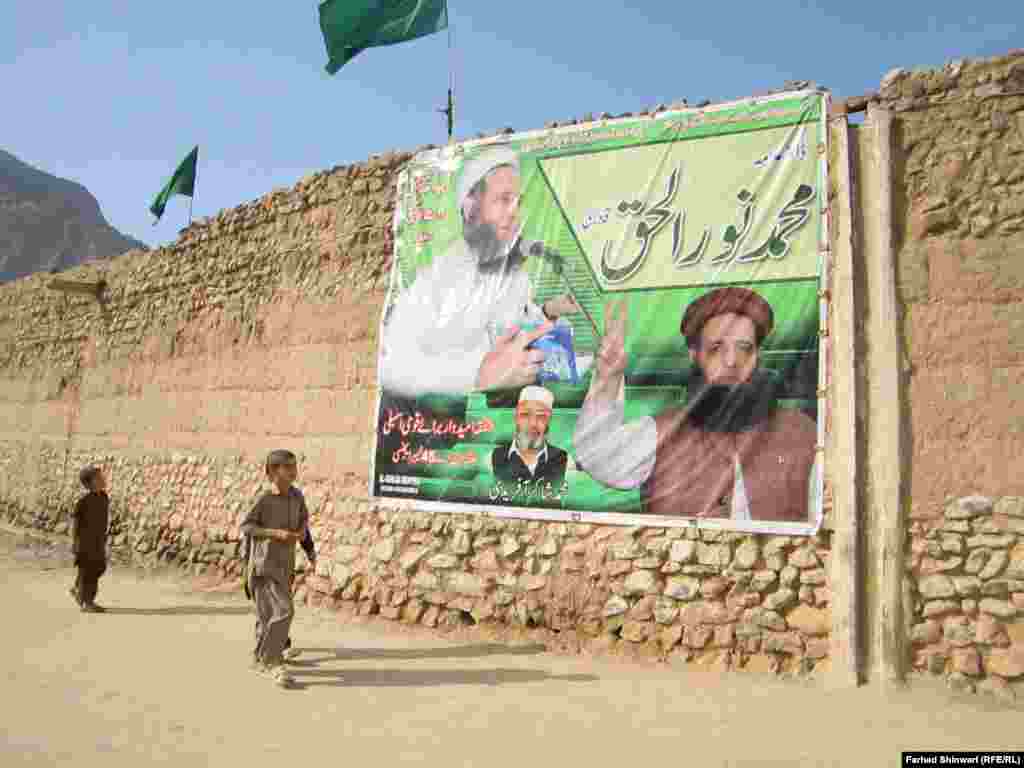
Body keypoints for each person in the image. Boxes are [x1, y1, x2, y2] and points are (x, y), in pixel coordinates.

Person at [573, 287, 819, 523]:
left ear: (757, 355)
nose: (732, 361)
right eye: (716, 348)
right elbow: (600, 458)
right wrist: (609, 378)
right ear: (695, 354)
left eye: (744, 348)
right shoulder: (665, 429)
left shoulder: (800, 431)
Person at [380, 145, 580, 397]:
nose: (514, 213)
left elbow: (515, 331)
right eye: (503, 200)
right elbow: (392, 367)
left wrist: (549, 312)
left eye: (518, 202)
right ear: (471, 208)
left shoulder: (515, 278)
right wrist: (477, 375)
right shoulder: (436, 281)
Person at [240, 450, 310, 688]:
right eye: (287, 467)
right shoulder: (264, 499)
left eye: (294, 466)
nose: (293, 471)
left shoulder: (297, 497)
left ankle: (261, 658)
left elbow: (304, 522)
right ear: (272, 472)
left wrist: (303, 539)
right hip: (264, 565)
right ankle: (273, 661)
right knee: (284, 612)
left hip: (285, 565)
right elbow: (247, 527)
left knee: (267, 616)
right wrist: (273, 533)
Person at [491, 385, 570, 488]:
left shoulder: (563, 459)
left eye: (541, 416)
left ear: (549, 420)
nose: (532, 423)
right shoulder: (494, 457)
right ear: (516, 417)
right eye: (525, 415)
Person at [69, 465, 111, 613]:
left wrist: (105, 535)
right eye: (99, 478)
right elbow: (75, 522)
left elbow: (104, 518)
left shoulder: (104, 497)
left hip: (98, 540)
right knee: (88, 571)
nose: (103, 479)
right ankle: (87, 602)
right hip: (85, 543)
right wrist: (75, 542)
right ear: (90, 483)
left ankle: (78, 589)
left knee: (100, 567)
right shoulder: (83, 501)